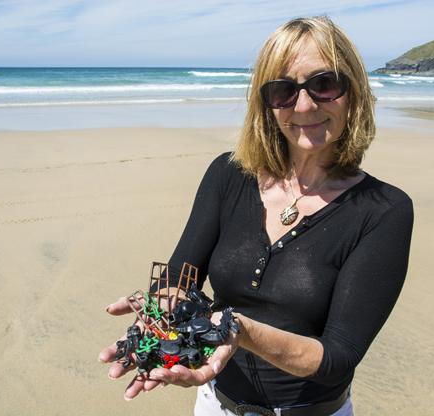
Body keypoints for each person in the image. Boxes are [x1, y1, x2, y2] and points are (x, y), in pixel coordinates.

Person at [99, 16, 413, 416]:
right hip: (216, 403)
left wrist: (239, 330)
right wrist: (155, 315)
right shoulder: (228, 174)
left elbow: (337, 356)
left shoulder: (383, 211)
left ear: (353, 90)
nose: (304, 105)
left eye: (324, 84)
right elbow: (181, 277)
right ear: (266, 103)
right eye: (283, 90)